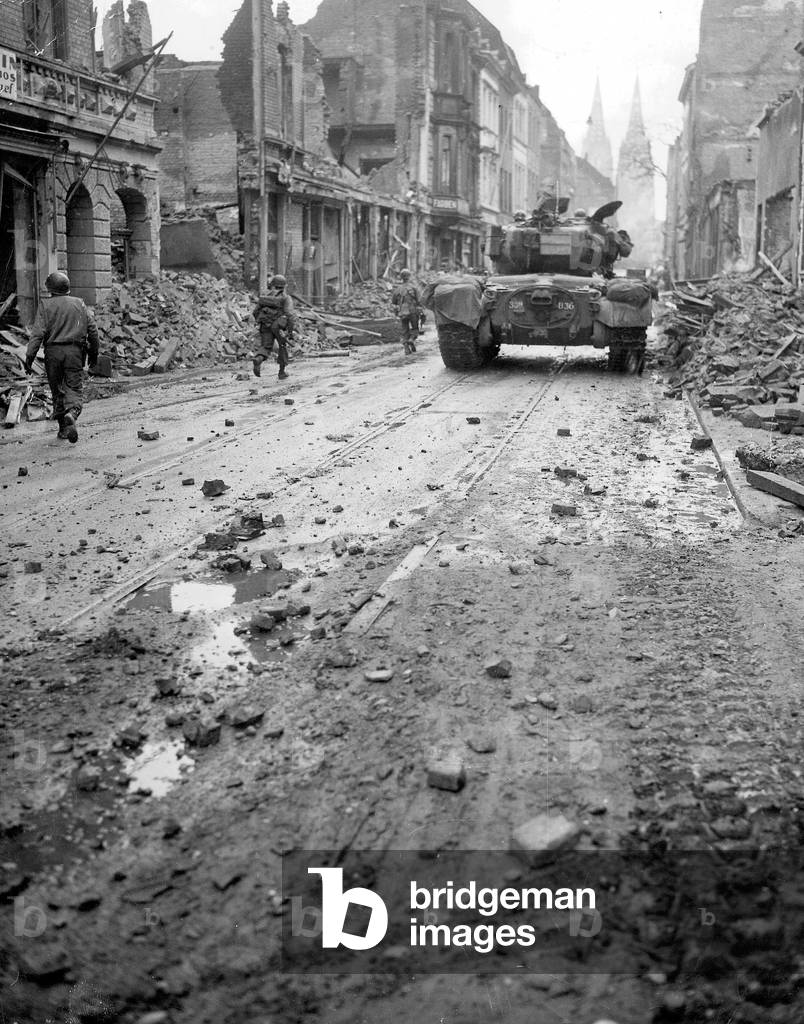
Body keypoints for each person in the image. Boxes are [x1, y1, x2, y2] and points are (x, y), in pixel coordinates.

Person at [25, 271, 98, 444]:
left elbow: (37, 335)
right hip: (74, 353)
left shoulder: (45, 305)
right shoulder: (79, 304)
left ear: (50, 288)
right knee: (74, 388)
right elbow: (93, 332)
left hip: (53, 354)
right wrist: (94, 356)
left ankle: (63, 429)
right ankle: (72, 413)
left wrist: (29, 358)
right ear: (67, 287)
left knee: (57, 389)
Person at [252, 274, 296, 380]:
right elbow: (290, 315)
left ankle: (258, 359)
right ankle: (282, 372)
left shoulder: (265, 297)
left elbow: (255, 312)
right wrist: (290, 331)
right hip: (278, 327)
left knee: (266, 346)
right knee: (282, 346)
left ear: (272, 285)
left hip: (265, 325)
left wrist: (262, 321)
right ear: (284, 286)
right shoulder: (286, 298)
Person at [391, 268, 422, 354]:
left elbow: (393, 302)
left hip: (402, 312)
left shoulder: (397, 289)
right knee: (415, 328)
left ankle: (406, 348)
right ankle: (411, 339)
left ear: (401, 277)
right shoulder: (414, 287)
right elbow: (419, 300)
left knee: (405, 330)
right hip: (413, 311)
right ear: (409, 276)